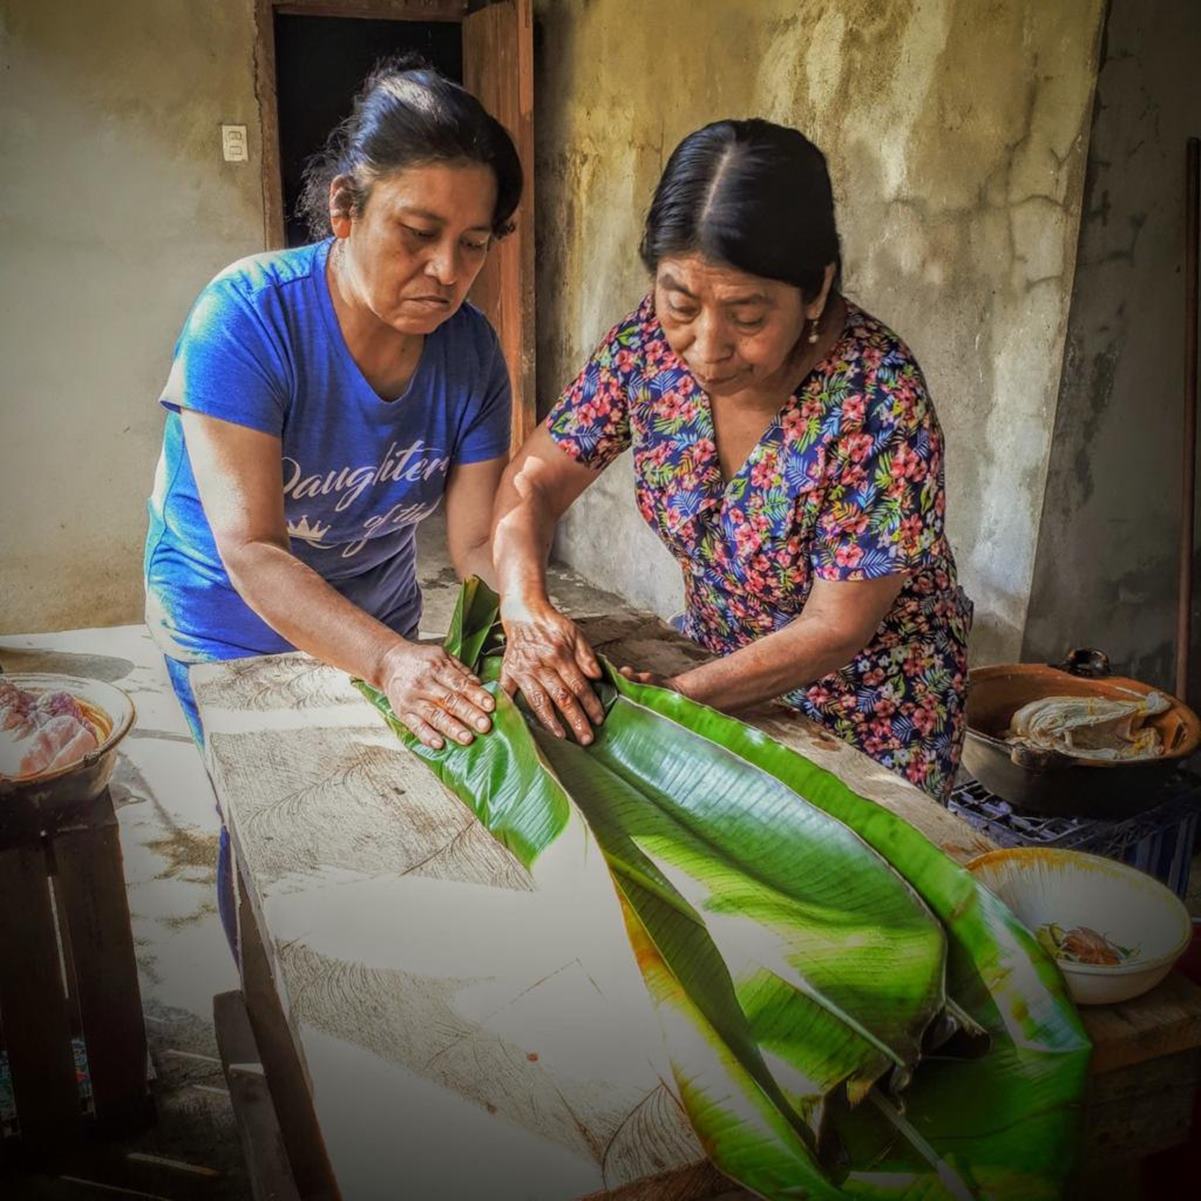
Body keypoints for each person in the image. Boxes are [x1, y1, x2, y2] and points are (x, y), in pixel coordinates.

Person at [144, 60, 521, 942]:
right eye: (417, 232)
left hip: (376, 607)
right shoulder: (248, 317)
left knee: (380, 823)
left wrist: (530, 620)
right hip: (229, 626)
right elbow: (252, 551)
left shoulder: (470, 354)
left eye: (474, 243)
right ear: (346, 208)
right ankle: (275, 1029)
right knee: (280, 838)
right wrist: (391, 663)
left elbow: (473, 548)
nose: (445, 269)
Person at [492, 119, 972, 801]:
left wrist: (673, 702)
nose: (705, 346)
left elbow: (836, 626)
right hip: (711, 672)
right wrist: (523, 604)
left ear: (815, 288)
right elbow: (532, 480)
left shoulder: (876, 399)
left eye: (747, 316)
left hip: (867, 720)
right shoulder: (646, 347)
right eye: (680, 303)